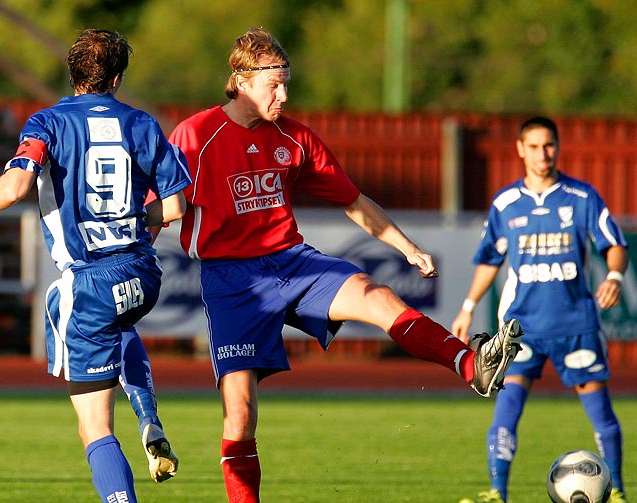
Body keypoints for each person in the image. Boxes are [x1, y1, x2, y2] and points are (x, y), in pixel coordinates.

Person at [159, 26, 523, 503]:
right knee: (240, 415)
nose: (284, 95)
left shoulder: (295, 137)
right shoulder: (197, 134)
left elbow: (353, 201)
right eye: (275, 85)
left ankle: (470, 364)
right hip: (232, 280)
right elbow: (162, 209)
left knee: (379, 296)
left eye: (287, 83)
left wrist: (406, 247)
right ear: (242, 81)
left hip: (292, 262)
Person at [0, 29, 192, 503]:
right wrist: (132, 220)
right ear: (118, 77)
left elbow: (17, 186)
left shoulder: (47, 122)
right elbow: (173, 210)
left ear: (71, 74)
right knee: (119, 324)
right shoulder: (142, 123)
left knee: (94, 427)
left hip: (89, 280)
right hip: (143, 272)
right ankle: (148, 416)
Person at [452, 116, 629, 503]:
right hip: (522, 328)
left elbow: (614, 244)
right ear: (520, 149)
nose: (542, 154)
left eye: (548, 145)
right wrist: (468, 306)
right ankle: (497, 493)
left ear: (558, 146)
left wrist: (614, 276)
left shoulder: (581, 197)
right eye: (533, 146)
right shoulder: (505, 203)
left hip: (575, 322)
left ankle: (616, 491)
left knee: (601, 413)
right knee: (506, 411)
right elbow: (490, 259)